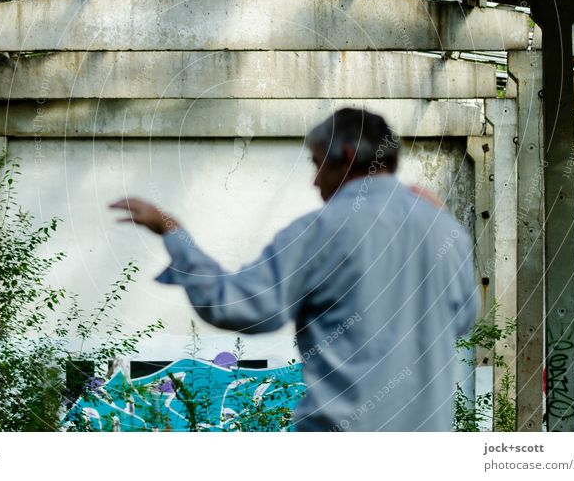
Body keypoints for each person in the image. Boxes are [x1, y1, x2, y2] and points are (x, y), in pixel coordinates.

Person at [110, 108, 479, 431]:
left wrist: (173, 233)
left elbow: (239, 306)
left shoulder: (320, 230)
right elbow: (464, 318)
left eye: (317, 164)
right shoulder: (443, 229)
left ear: (346, 156)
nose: (315, 180)